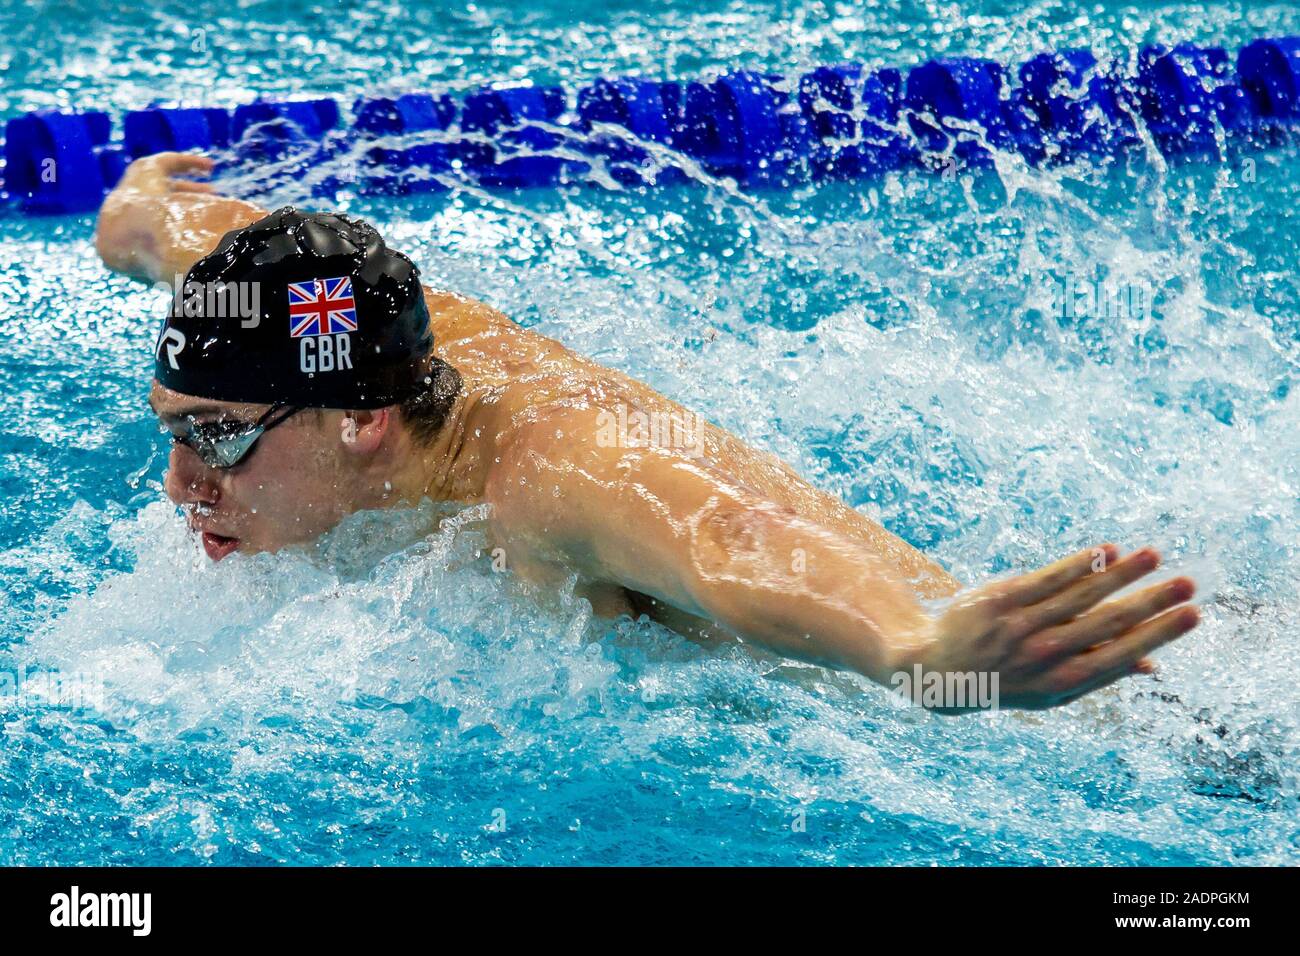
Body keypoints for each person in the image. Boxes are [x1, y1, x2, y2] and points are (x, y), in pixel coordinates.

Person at [93, 152, 1200, 714]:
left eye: (220, 439)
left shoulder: (553, 473)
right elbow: (159, 226)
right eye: (175, 430)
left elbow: (730, 539)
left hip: (1101, 699)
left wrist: (916, 652)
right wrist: (138, 216)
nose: (181, 482)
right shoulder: (294, 323)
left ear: (366, 420)